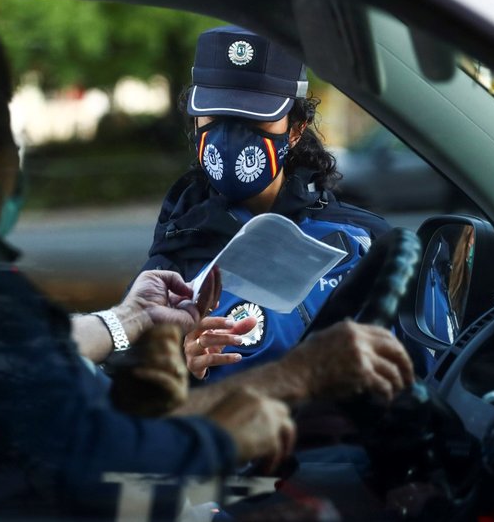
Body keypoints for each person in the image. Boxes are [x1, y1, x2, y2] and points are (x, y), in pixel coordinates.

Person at [0, 0, 294, 519]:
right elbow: (99, 462)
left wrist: (127, 320)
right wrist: (230, 424)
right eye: (9, 131)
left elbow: (32, 358)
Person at [142, 25, 390, 382]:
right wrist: (182, 367)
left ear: (296, 127)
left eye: (253, 118)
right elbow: (131, 397)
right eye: (216, 117)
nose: (231, 137)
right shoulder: (170, 260)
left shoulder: (362, 238)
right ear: (195, 120)